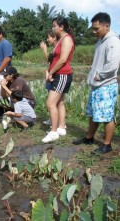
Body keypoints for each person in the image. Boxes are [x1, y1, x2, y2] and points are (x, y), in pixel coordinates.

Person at [72, 12, 120, 154]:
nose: (94, 31)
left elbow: (113, 64)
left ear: (107, 26)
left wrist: (100, 76)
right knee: (93, 114)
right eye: (93, 28)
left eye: (96, 28)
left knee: (106, 116)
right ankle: (89, 137)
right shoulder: (101, 40)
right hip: (97, 84)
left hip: (106, 84)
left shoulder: (113, 42)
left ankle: (107, 144)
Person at [42, 16, 75, 143]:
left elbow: (62, 60)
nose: (53, 28)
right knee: (59, 102)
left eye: (54, 25)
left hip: (61, 75)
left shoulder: (67, 39)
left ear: (61, 27)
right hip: (59, 74)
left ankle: (54, 132)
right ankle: (61, 127)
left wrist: (51, 72)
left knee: (50, 103)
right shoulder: (61, 39)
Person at [40, 30, 58, 126]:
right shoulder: (54, 48)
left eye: (49, 37)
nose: (47, 39)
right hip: (50, 74)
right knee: (52, 100)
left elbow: (50, 61)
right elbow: (50, 62)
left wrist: (45, 50)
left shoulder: (57, 48)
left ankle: (57, 122)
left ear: (54, 37)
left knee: (54, 101)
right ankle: (52, 119)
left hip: (54, 76)